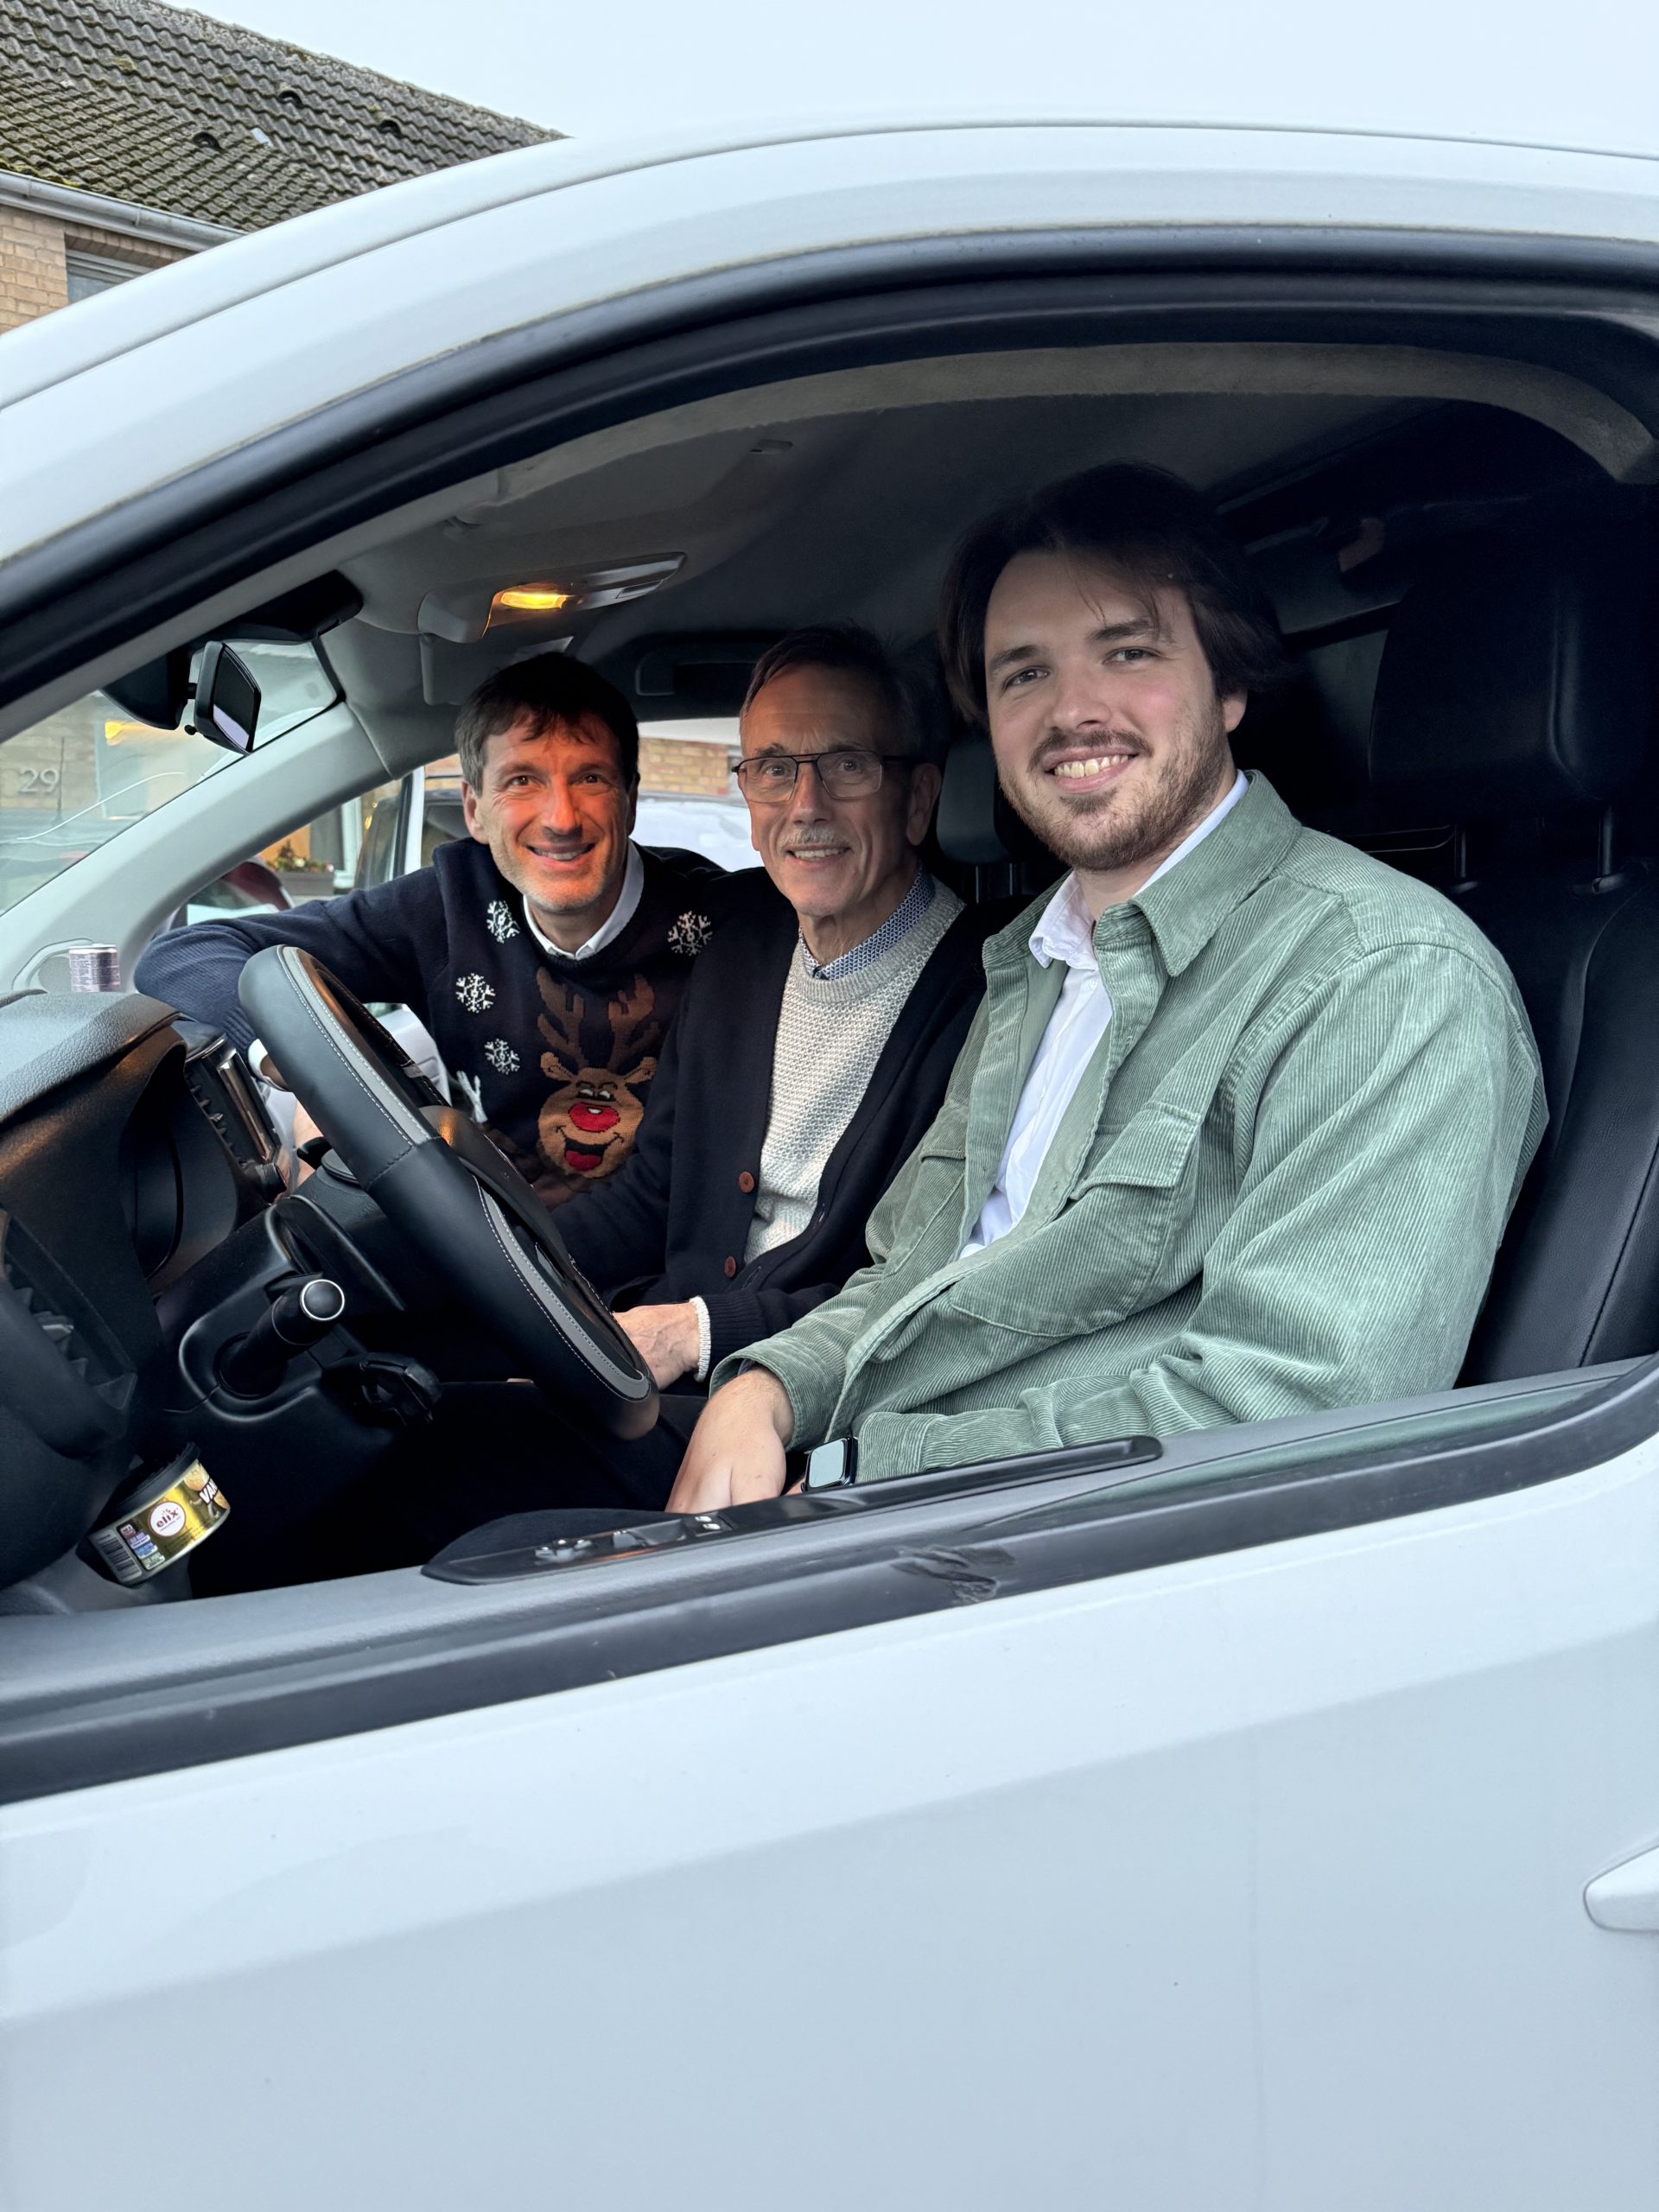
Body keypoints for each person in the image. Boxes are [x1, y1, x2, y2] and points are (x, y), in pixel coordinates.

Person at [663, 463, 1548, 1513]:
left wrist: (865, 1476)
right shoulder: (1033, 963)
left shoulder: (1385, 979)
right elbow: (914, 1273)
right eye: (1023, 674)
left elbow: (1286, 1419)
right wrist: (764, 1389)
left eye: (1127, 651)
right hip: (881, 1498)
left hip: (1051, 1560)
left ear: (1228, 683)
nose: (1074, 711)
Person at [554, 624, 995, 1400]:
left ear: (918, 799)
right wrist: (513, 1257)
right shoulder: (743, 942)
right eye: (774, 769)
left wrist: (700, 1331)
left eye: (847, 766)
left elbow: (932, 1289)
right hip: (662, 1366)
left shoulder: (990, 992)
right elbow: (654, 1191)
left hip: (807, 1404)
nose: (805, 805)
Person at [134, 653, 723, 1205]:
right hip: (503, 1247)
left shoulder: (726, 921)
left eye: (591, 778)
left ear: (630, 800)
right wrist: (293, 1051)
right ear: (474, 811)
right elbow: (183, 956)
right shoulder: (446, 905)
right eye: (522, 781)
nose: (561, 818)